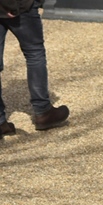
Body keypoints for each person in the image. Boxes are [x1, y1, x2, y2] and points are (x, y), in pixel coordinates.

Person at [0, 0, 69, 134]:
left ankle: (0, 122)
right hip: (18, 6)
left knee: (34, 53)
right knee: (34, 53)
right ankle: (43, 111)